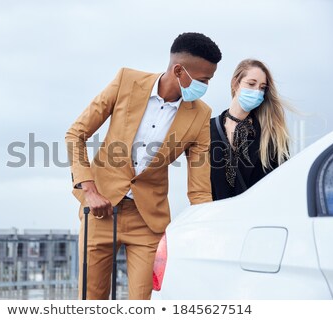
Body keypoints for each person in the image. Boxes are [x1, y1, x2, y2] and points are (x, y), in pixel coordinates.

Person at [66, 32, 222, 299]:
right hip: (101, 211)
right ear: (178, 70)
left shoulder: (201, 115)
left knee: (146, 302)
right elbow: (75, 135)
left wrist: (206, 228)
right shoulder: (127, 80)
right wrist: (89, 191)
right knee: (91, 300)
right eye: (204, 80)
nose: (206, 86)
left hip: (148, 222)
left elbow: (199, 189)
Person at [210, 59, 290, 200]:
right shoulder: (208, 129)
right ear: (235, 83)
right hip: (216, 217)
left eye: (262, 87)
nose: (257, 92)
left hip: (254, 217)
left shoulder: (271, 134)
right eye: (251, 84)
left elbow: (281, 184)